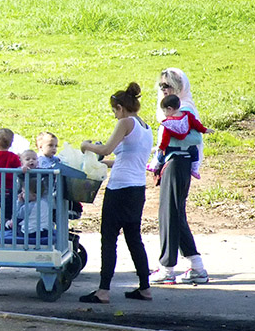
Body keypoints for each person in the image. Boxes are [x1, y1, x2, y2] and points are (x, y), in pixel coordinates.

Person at [78, 83, 154, 304]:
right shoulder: (145, 126)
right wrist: (104, 164)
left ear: (120, 108)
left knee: (109, 238)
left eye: (114, 111)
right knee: (134, 238)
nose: (114, 116)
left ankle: (103, 290)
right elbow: (123, 158)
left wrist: (87, 146)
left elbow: (106, 149)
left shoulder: (125, 122)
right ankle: (145, 287)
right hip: (137, 189)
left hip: (119, 189)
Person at [151, 69, 210, 285]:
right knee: (175, 213)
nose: (164, 89)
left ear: (179, 87)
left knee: (170, 214)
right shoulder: (175, 109)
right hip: (173, 163)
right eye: (162, 86)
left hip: (177, 163)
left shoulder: (183, 110)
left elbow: (194, 138)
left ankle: (167, 267)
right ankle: (196, 266)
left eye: (168, 85)